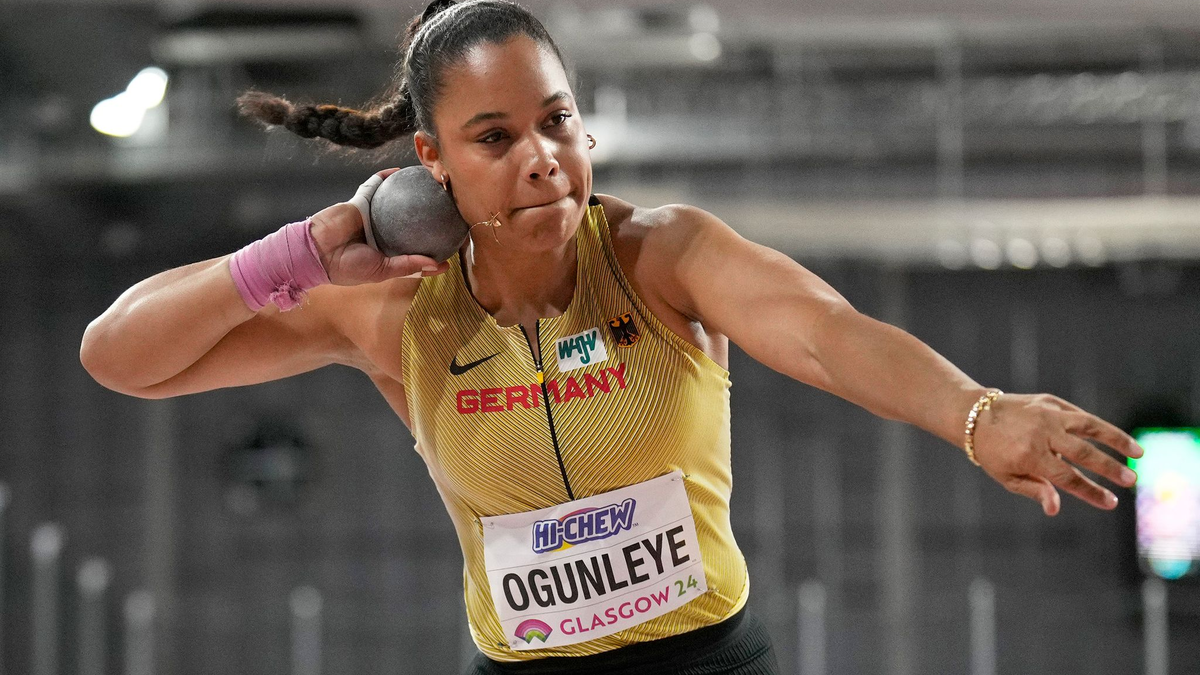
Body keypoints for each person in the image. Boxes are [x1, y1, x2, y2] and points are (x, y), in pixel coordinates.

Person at [79, 1, 1145, 673]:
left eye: (555, 119)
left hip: (708, 662)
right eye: (494, 138)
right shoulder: (395, 308)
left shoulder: (661, 257)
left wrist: (974, 412)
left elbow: (827, 335)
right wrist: (300, 254)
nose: (541, 157)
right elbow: (120, 358)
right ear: (429, 160)